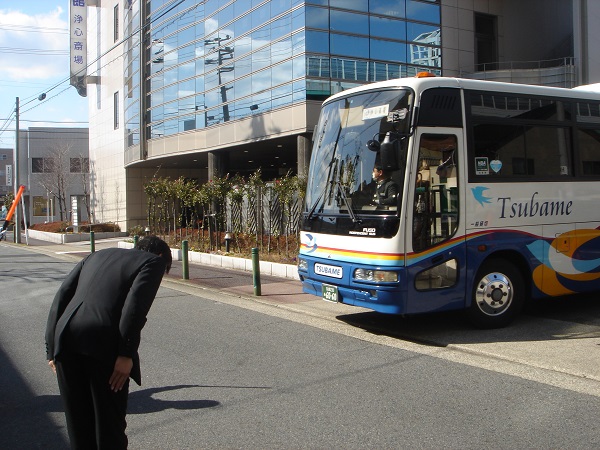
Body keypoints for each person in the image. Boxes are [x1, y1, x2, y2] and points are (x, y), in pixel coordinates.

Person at [45, 236, 172, 449]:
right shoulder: (152, 262)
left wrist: (51, 349)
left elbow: (63, 295)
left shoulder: (97, 255)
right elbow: (135, 308)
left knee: (78, 426)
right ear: (161, 256)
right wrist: (125, 354)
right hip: (103, 345)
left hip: (65, 340)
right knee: (109, 428)